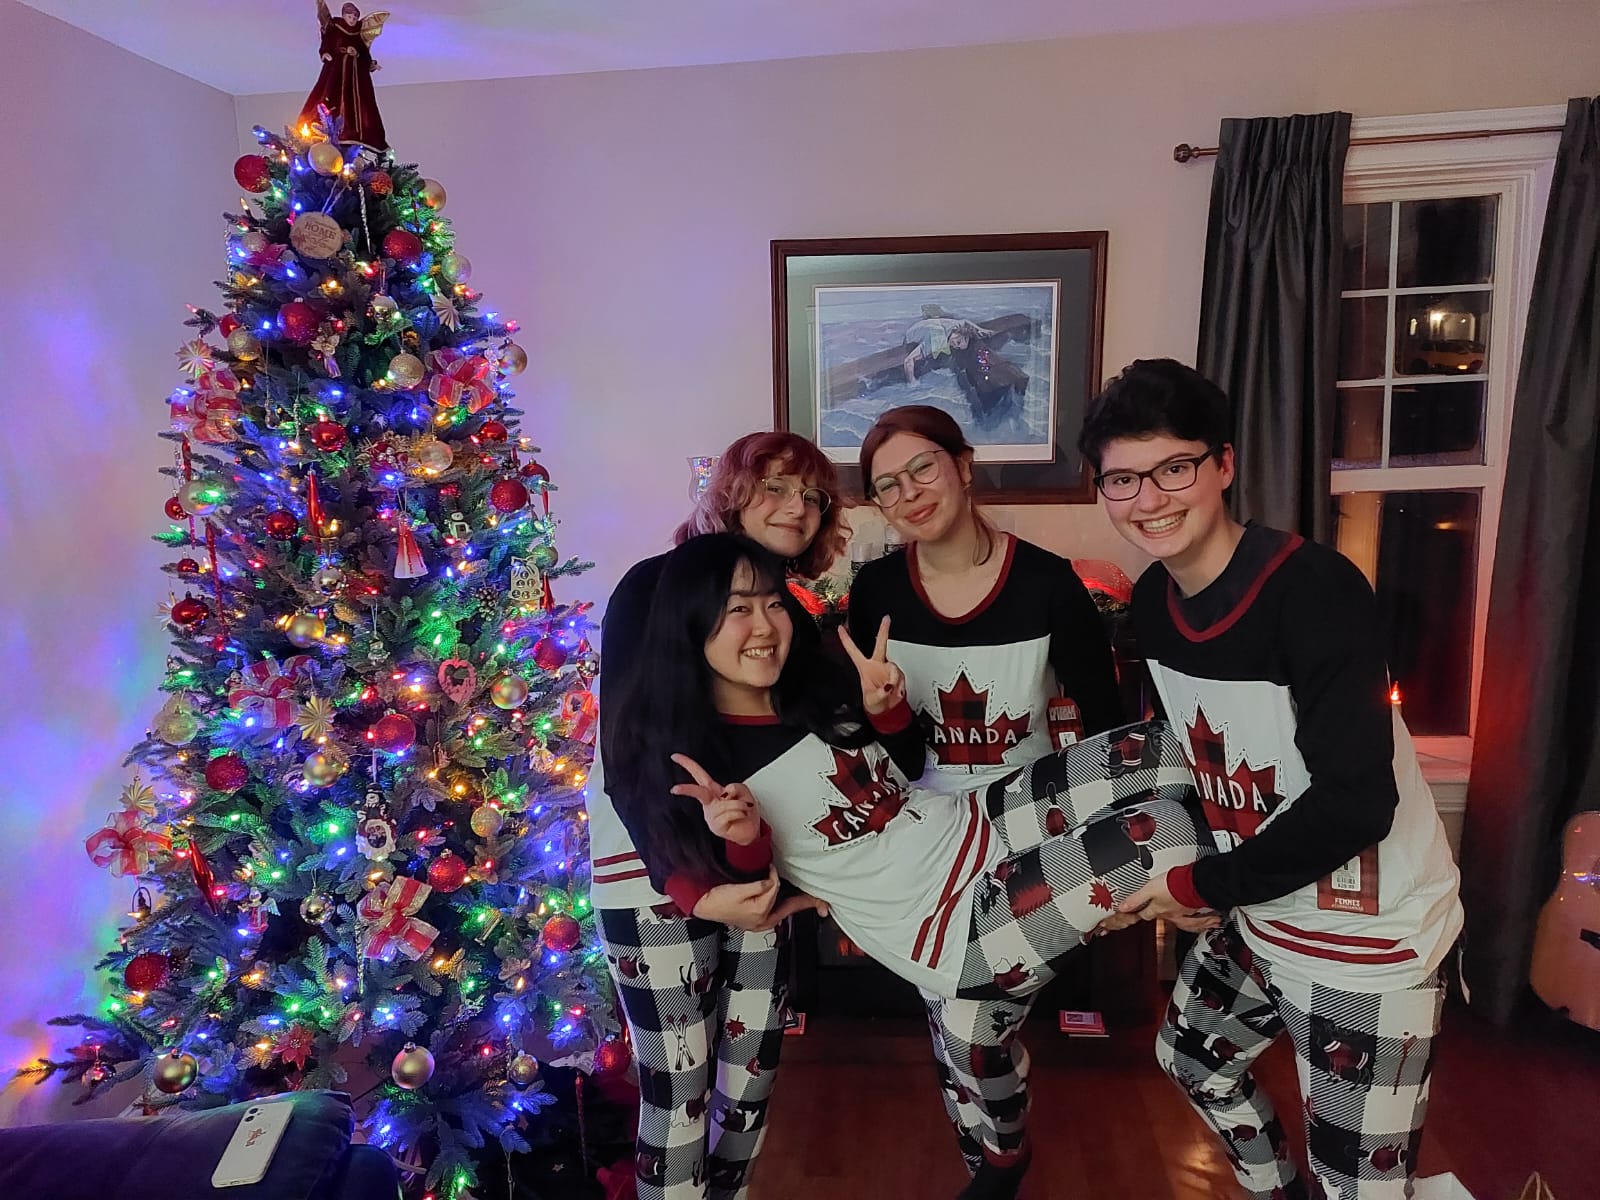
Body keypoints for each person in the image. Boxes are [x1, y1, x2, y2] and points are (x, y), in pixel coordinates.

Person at [607, 532, 1212, 1200]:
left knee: (1163, 748)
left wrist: (885, 708)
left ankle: (1246, 885)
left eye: (773, 603)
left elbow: (904, 765)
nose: (765, 625)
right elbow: (743, 890)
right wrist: (745, 837)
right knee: (1164, 832)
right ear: (690, 626)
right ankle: (1007, 1149)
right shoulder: (699, 762)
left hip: (971, 824)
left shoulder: (810, 687)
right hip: (943, 921)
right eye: (737, 610)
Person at [1078, 359, 1463, 1200]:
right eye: (1122, 479)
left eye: (1174, 468)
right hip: (1260, 908)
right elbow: (1197, 755)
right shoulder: (1152, 604)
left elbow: (1357, 801)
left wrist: (1201, 883)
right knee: (1193, 1057)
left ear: (1223, 465)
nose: (1149, 499)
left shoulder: (1312, 588)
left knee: (1360, 1188)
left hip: (1368, 936)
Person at [848, 403, 1127, 1186]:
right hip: (927, 835)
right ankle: (989, 1159)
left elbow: (1107, 728)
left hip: (1028, 822)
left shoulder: (1049, 584)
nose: (909, 493)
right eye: (887, 485)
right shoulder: (875, 590)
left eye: (923, 468)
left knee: (971, 1021)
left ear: (964, 466)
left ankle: (1000, 1158)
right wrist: (884, 713)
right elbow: (895, 756)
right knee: (954, 1021)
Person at [588, 432, 847, 1200]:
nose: (798, 508)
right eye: (777, 488)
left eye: (813, 496)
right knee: (680, 1092)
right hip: (653, 872)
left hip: (756, 864)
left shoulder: (792, 616)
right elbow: (628, 753)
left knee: (751, 1081)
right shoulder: (653, 586)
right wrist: (688, 888)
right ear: (733, 493)